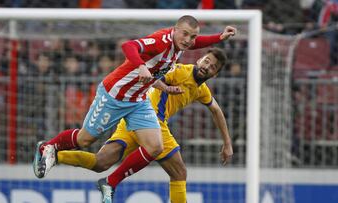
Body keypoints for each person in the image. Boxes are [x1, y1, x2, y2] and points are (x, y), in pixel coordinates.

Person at [33, 14, 236, 199]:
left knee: (145, 150)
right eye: (185, 34)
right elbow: (129, 46)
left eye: (192, 37)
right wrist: (143, 69)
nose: (189, 40)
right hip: (116, 94)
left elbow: (195, 44)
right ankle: (46, 147)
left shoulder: (182, 48)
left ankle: (108, 182)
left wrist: (219, 37)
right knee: (85, 139)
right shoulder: (162, 42)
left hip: (138, 101)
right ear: (175, 30)